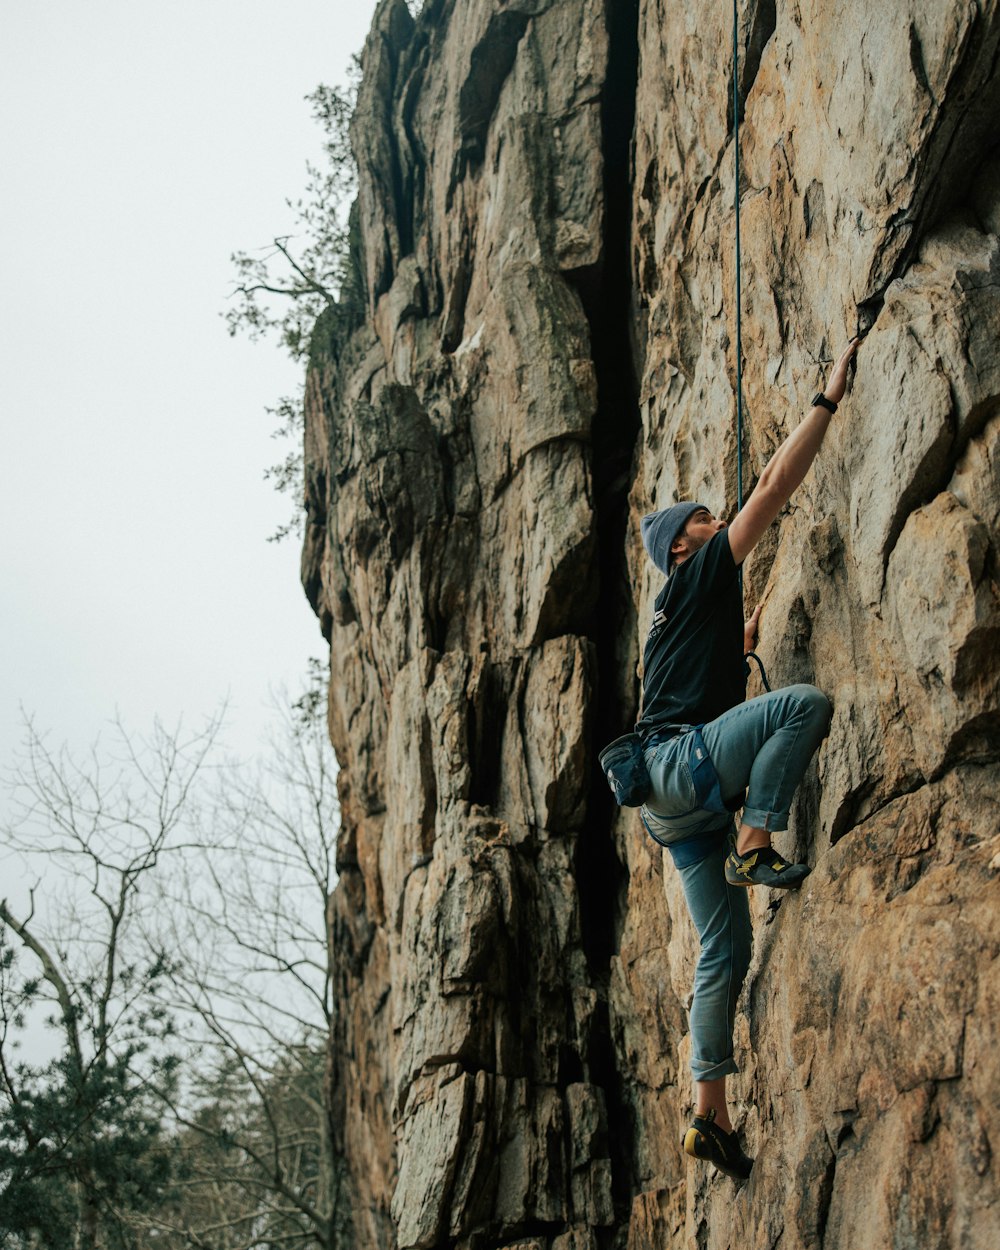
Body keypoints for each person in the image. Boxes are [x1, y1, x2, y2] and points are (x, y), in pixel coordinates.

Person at [636, 336, 861, 1182]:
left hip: (669, 803)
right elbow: (771, 489)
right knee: (803, 705)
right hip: (689, 774)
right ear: (683, 549)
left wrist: (742, 639)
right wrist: (827, 400)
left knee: (722, 947)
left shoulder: (672, 622)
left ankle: (710, 1118)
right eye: (700, 516)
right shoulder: (692, 576)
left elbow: (698, 682)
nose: (712, 516)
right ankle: (759, 840)